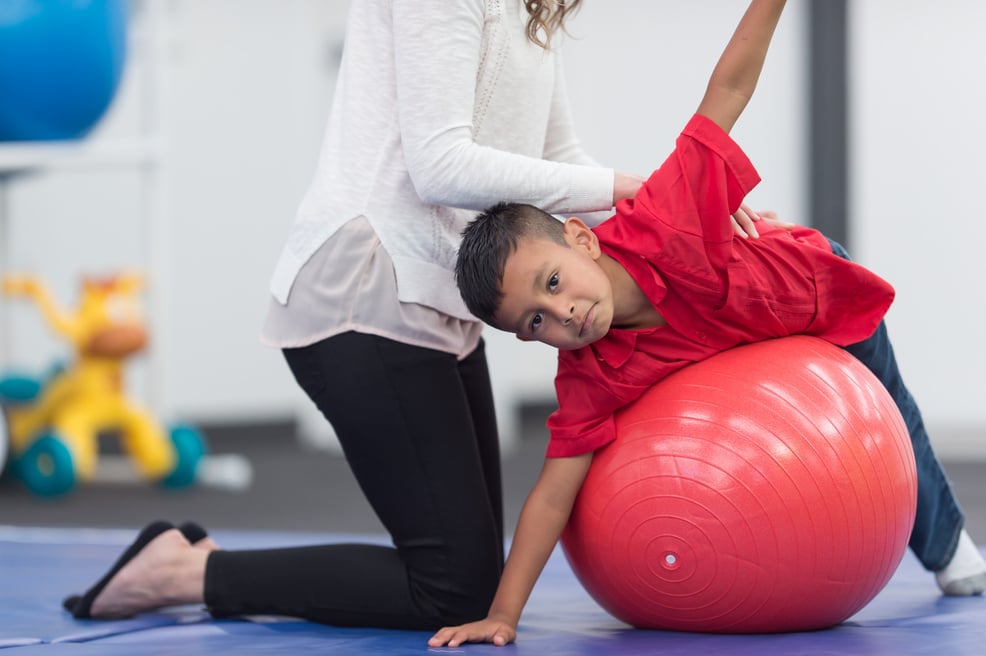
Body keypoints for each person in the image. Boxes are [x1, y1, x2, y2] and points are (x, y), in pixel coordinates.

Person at [60, 0, 707, 628]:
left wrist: (680, 215)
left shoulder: (531, 6)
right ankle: (184, 574)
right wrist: (631, 187)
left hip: (437, 302)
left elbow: (559, 160)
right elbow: (439, 163)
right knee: (455, 590)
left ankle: (189, 567)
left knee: (474, 583)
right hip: (366, 291)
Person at [431, 0, 986, 647]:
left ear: (582, 239)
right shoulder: (591, 373)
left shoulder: (665, 218)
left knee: (894, 412)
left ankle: (949, 547)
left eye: (552, 284)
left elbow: (729, 86)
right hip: (753, 349)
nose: (563, 315)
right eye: (534, 322)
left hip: (816, 292)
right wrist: (504, 614)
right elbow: (553, 496)